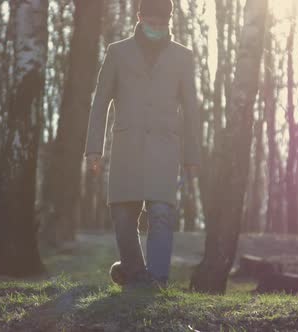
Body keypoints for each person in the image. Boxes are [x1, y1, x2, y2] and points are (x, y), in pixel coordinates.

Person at [83, 0, 201, 288]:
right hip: (127, 146)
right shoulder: (117, 52)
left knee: (162, 212)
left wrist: (192, 155)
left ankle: (158, 280)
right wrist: (94, 148)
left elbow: (192, 108)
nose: (157, 29)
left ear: (170, 21)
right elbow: (100, 103)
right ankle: (135, 274)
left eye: (163, 24)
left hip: (164, 147)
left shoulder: (183, 57)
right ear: (139, 18)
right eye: (152, 23)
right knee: (123, 214)